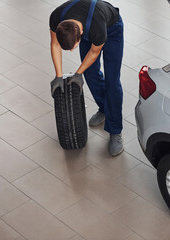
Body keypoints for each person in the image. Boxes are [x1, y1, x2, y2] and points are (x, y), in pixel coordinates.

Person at [49, 0, 124, 156]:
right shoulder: (57, 17)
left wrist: (78, 73)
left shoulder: (96, 27)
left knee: (112, 81)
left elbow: (94, 52)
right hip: (89, 27)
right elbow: (55, 44)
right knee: (90, 74)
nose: (70, 52)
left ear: (80, 35)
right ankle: (104, 108)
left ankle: (115, 131)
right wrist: (58, 76)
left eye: (72, 47)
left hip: (111, 28)